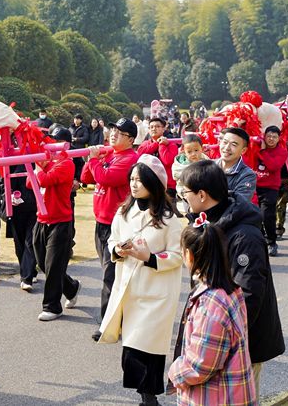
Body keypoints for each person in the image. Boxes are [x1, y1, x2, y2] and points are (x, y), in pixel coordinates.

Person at [178, 160, 284, 396]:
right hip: (215, 336)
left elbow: (249, 295)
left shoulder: (243, 235)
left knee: (237, 398)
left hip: (239, 342)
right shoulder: (209, 223)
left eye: (185, 193)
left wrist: (219, 335)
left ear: (202, 195)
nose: (183, 199)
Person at [98, 155, 183, 406]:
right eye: (132, 179)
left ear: (153, 183)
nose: (134, 185)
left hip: (157, 293)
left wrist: (150, 257)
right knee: (132, 349)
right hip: (131, 291)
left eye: (140, 180)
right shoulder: (124, 212)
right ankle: (146, 397)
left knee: (149, 349)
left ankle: (149, 398)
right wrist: (118, 250)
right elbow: (112, 240)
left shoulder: (168, 218)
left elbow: (178, 255)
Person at [167, 216, 256, 405]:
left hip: (214, 398)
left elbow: (200, 365)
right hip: (231, 393)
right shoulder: (230, 290)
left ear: (189, 255)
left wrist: (175, 371)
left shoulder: (210, 304)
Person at [81, 118, 139, 341]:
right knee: (110, 272)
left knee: (110, 275)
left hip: (117, 224)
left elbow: (107, 178)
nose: (114, 134)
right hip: (101, 221)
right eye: (113, 129)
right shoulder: (109, 155)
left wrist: (96, 160)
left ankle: (107, 323)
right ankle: (119, 318)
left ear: (131, 139)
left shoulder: (129, 159)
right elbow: (86, 177)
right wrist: (93, 160)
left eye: (120, 132)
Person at [29, 126, 81, 321]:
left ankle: (52, 306)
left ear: (64, 144)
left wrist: (38, 168)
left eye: (54, 141)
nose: (50, 144)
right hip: (41, 219)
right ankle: (71, 287)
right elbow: (30, 183)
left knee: (52, 266)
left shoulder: (67, 163)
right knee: (44, 263)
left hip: (60, 221)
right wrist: (39, 167)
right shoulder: (47, 161)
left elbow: (44, 180)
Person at [255, 126, 288, 257]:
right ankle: (260, 239)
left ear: (279, 138)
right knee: (254, 215)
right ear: (264, 136)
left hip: (270, 188)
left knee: (267, 216)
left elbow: (273, 166)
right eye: (269, 136)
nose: (271, 139)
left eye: (274, 137)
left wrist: (263, 152)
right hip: (254, 186)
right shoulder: (255, 147)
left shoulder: (282, 151)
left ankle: (272, 242)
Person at [5, 164, 38, 291]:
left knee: (30, 243)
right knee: (19, 245)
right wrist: (10, 196)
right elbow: (5, 185)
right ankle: (30, 271)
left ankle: (26, 278)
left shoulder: (38, 162)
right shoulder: (11, 163)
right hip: (17, 211)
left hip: (34, 210)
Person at [137, 117, 179, 200]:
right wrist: (157, 143)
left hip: (167, 186)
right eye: (151, 127)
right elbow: (140, 154)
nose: (154, 129)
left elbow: (167, 161)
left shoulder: (171, 145)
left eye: (157, 126)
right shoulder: (145, 144)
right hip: (148, 185)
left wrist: (162, 145)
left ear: (163, 129)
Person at [216, 127, 256, 204]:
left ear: (243, 150)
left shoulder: (247, 175)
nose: (227, 148)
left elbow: (240, 202)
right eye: (225, 142)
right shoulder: (207, 166)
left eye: (233, 145)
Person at [172, 133, 208, 204]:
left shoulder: (206, 160)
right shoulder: (181, 164)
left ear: (202, 149)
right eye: (189, 152)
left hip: (203, 194)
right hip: (186, 195)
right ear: (184, 152)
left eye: (196, 150)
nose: (193, 154)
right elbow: (176, 175)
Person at [70, 114, 90, 181]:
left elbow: (86, 138)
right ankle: (72, 178)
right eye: (75, 119)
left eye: (78, 119)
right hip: (71, 149)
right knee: (72, 164)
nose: (76, 120)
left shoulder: (84, 128)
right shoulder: (70, 128)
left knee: (80, 165)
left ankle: (80, 179)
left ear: (81, 120)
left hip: (80, 150)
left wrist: (76, 139)